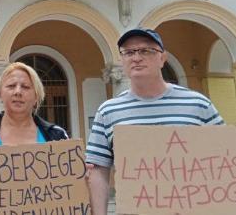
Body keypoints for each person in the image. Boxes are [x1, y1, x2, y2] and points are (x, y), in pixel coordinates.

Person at [85, 28, 224, 215]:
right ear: (122, 60)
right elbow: (98, 170)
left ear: (162, 58)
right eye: (128, 52)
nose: (136, 58)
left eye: (145, 51)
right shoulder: (108, 111)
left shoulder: (198, 104)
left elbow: (224, 159)